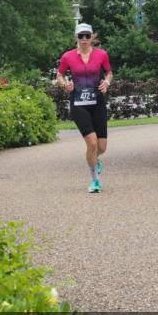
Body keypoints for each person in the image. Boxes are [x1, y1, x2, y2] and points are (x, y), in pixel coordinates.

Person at [57, 23, 113, 193]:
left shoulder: (102, 55)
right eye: (81, 36)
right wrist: (65, 83)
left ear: (92, 37)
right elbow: (59, 75)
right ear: (76, 37)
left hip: (97, 103)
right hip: (79, 104)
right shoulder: (67, 57)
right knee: (92, 143)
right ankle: (95, 181)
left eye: (87, 36)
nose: (84, 39)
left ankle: (94, 159)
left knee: (101, 147)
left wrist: (107, 82)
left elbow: (109, 72)